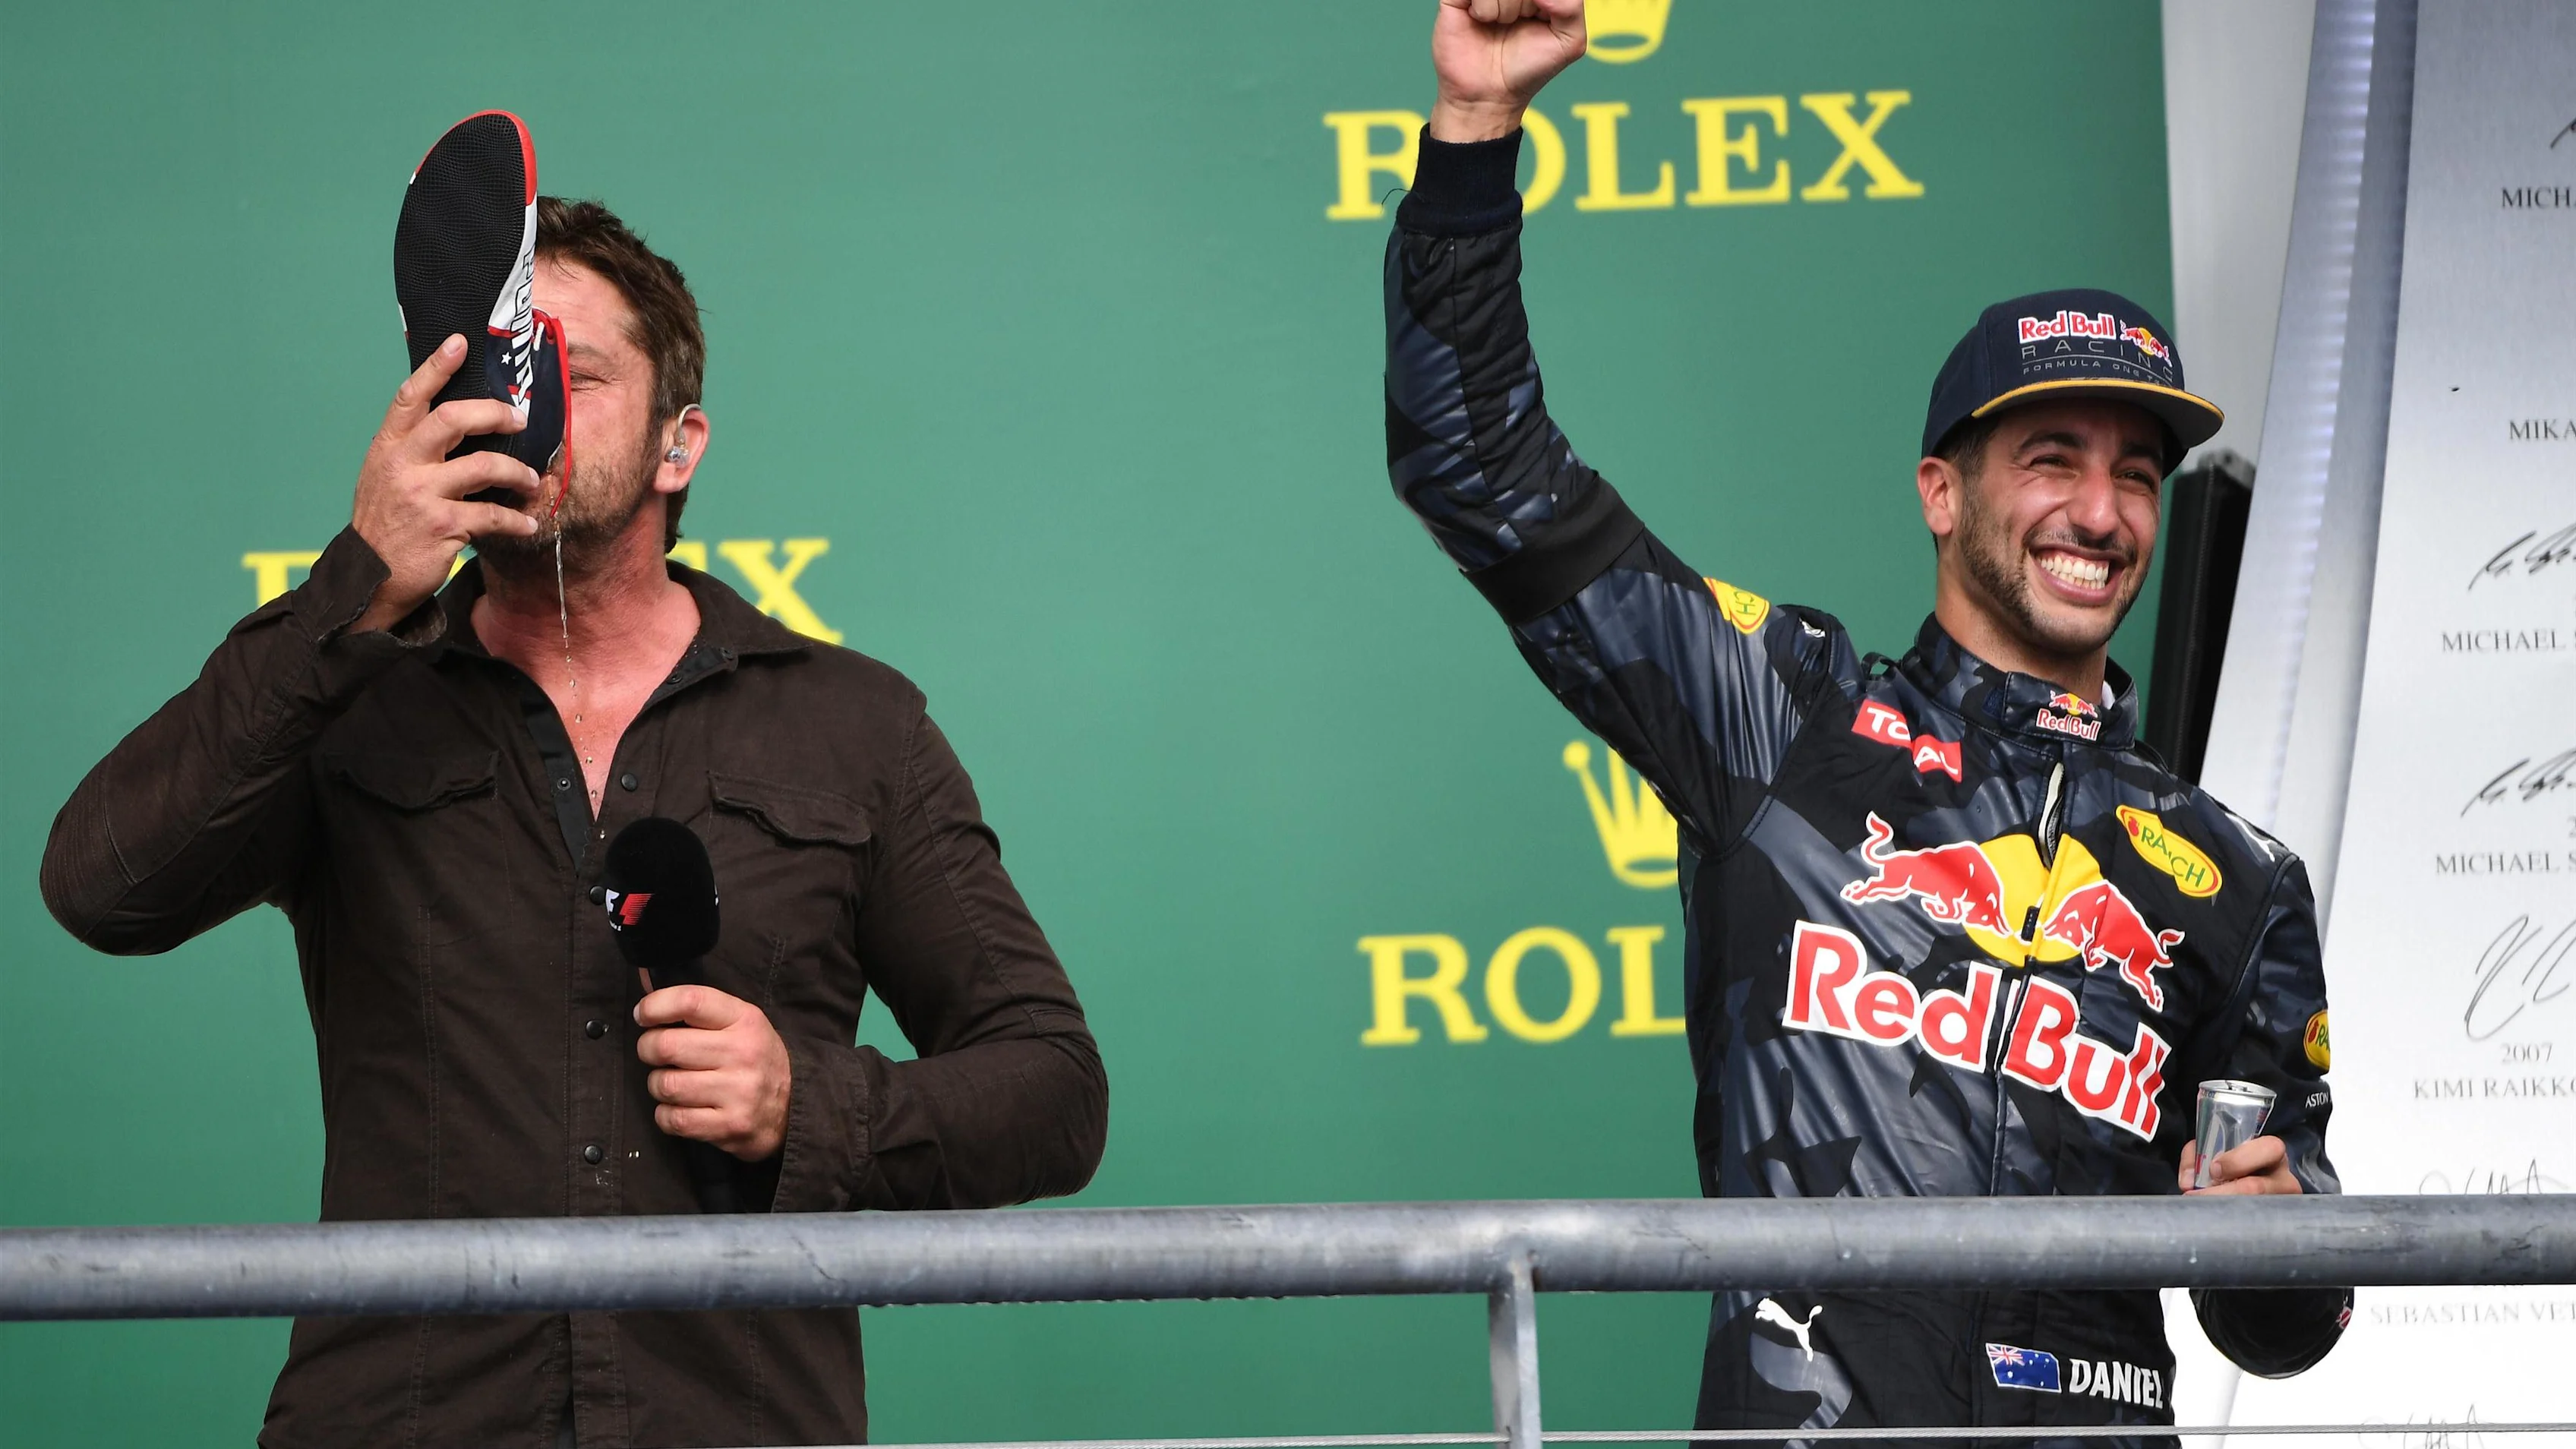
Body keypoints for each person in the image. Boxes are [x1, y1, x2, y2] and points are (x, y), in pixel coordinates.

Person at [1381, 1, 2347, 1437]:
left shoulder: (2241, 877)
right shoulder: (1785, 718)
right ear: (1941, 493)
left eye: (2137, 473)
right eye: (2051, 458)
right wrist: (1474, 131)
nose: (2099, 511)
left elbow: (2290, 1320)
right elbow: (1482, 473)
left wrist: (2279, 1245)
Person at [41, 197, 1107, 1447]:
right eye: (500, 374)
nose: (524, 406)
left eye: (575, 373)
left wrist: (805, 1106)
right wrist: (358, 585)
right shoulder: (344, 699)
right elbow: (102, 887)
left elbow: (1051, 1089)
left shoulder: (854, 727)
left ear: (679, 445)